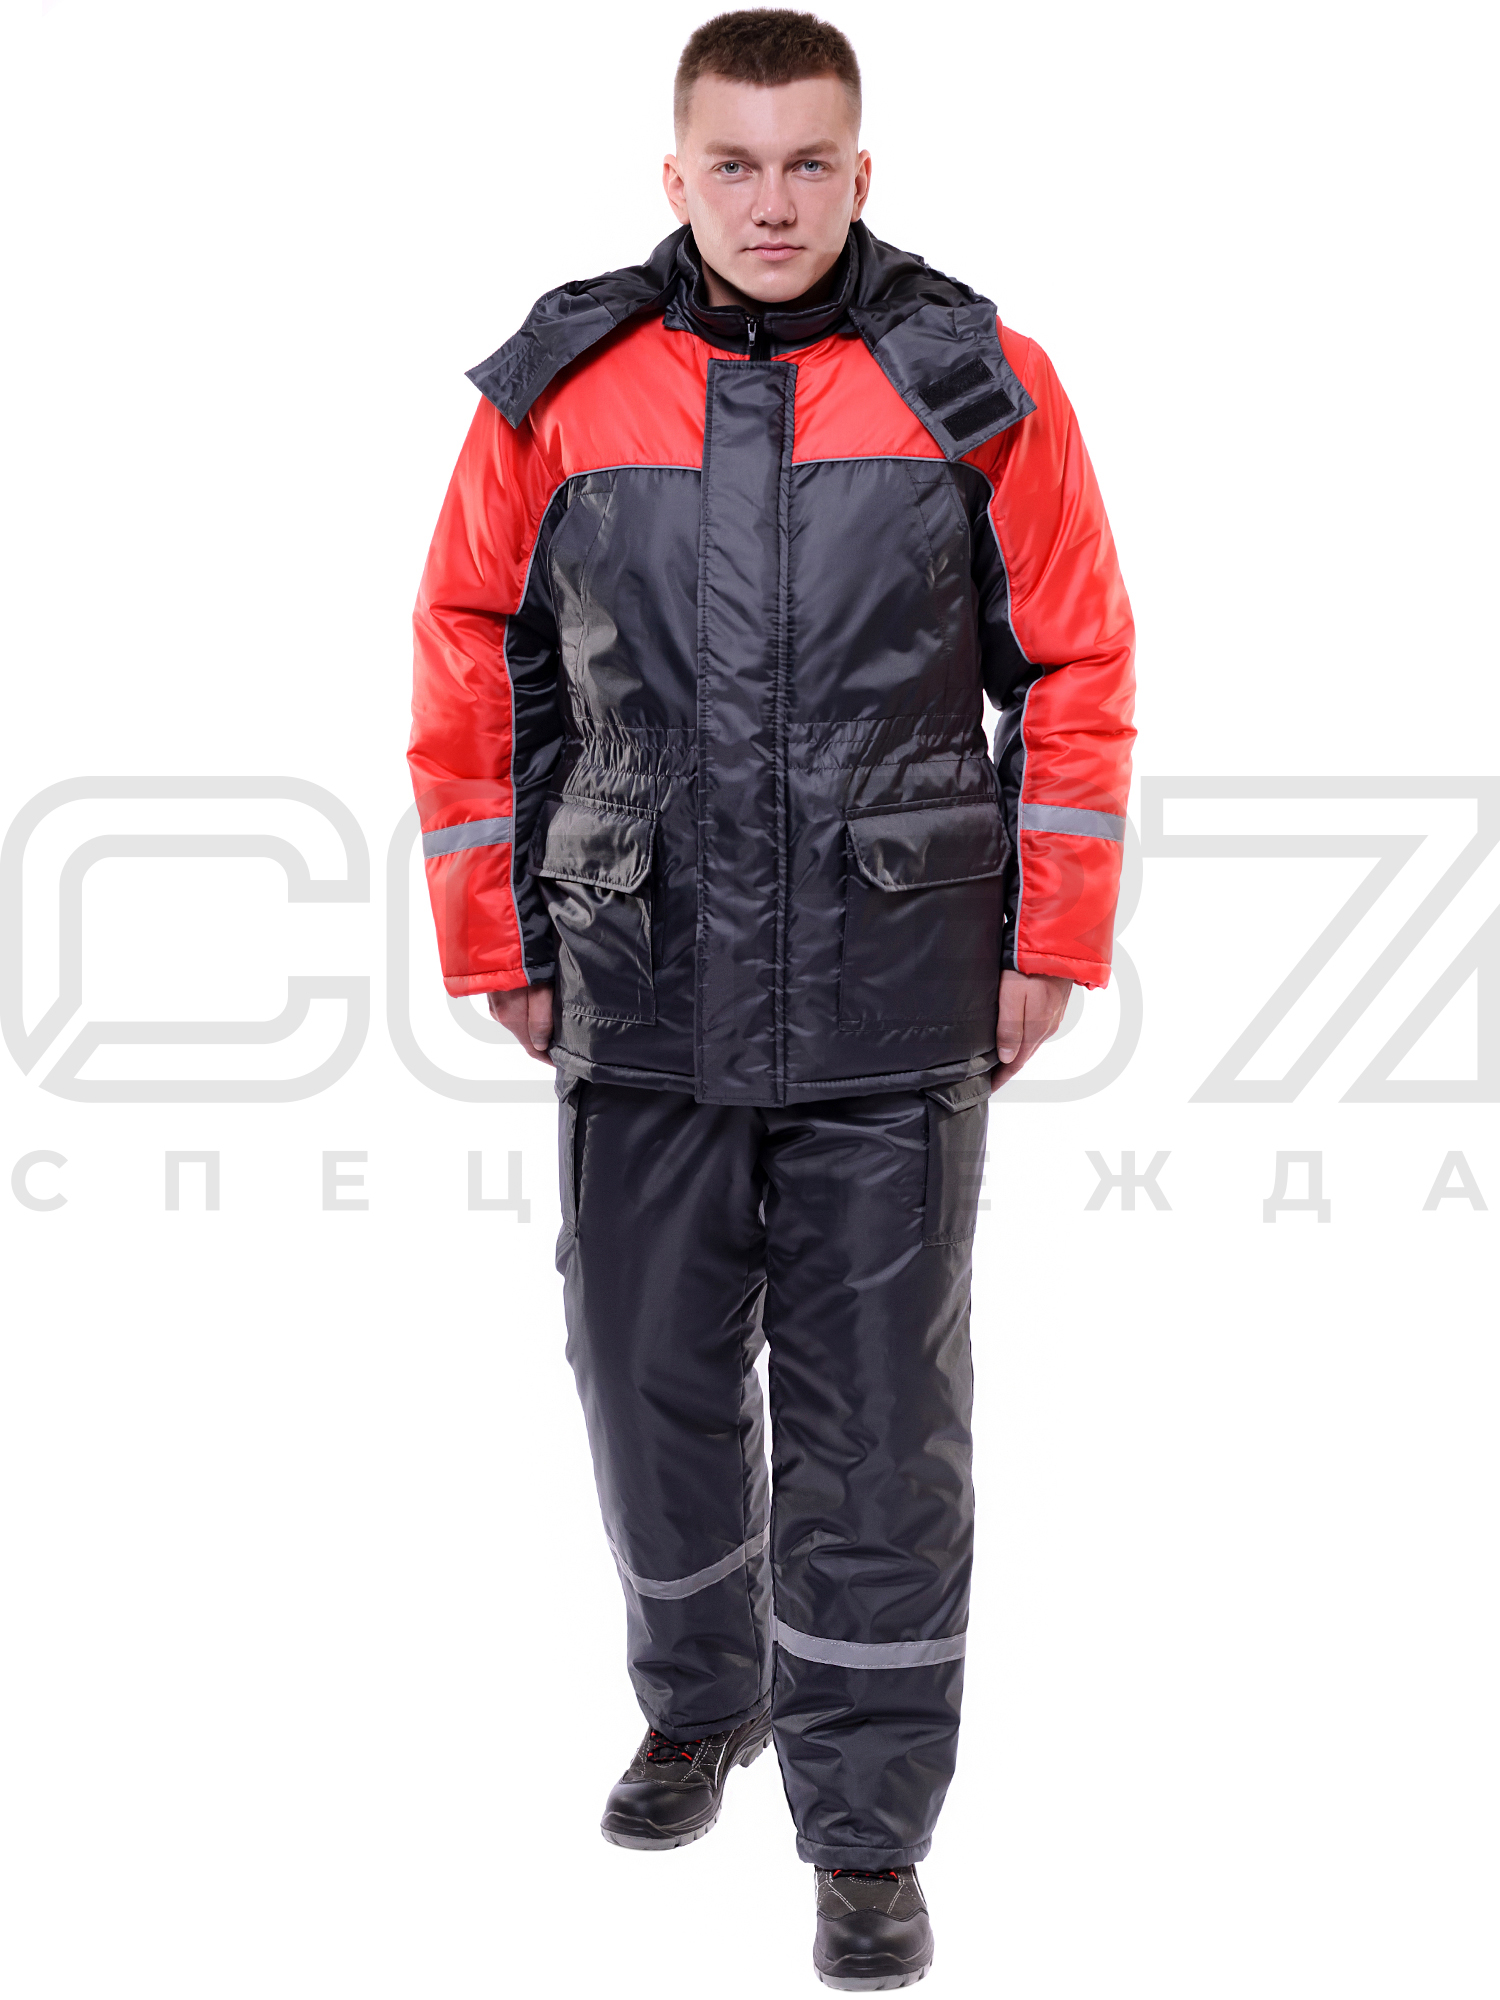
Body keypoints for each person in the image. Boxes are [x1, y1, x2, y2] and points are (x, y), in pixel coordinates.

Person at [408, 10, 1134, 1988]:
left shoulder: (974, 377)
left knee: (879, 1424)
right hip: (638, 978)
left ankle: (868, 1828)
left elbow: (1075, 660)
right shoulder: (563, 388)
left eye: (811, 162)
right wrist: (498, 933)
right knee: (642, 1377)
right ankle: (700, 1697)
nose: (774, 200)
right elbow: (472, 652)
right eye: (734, 164)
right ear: (676, 176)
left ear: (862, 171)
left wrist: (1052, 935)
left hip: (897, 992)